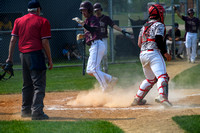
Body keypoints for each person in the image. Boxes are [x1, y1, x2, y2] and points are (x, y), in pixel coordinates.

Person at [6, 0, 53, 120]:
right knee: (39, 85)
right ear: (38, 10)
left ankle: (25, 110)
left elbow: (12, 40)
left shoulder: (18, 20)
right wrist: (50, 59)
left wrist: (9, 58)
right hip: (36, 55)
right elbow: (45, 42)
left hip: (23, 55)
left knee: (27, 84)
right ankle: (37, 112)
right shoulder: (43, 21)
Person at [131, 4, 172, 107]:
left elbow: (139, 43)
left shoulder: (144, 26)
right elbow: (158, 39)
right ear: (159, 14)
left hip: (142, 54)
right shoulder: (159, 25)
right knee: (163, 76)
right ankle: (162, 96)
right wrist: (165, 53)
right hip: (153, 53)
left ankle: (137, 99)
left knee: (150, 79)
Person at [72, 1, 118, 92]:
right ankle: (110, 79)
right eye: (82, 11)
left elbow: (94, 29)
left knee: (94, 69)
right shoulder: (87, 20)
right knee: (90, 70)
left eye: (84, 10)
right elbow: (90, 32)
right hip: (94, 46)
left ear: (89, 10)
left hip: (97, 44)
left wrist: (82, 24)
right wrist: (83, 36)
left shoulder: (93, 19)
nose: (83, 13)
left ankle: (105, 88)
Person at [93, 3, 125, 73]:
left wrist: (121, 30)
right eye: (95, 10)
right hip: (95, 40)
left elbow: (113, 25)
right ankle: (99, 72)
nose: (97, 12)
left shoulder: (106, 18)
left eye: (98, 10)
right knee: (98, 57)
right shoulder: (93, 19)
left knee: (104, 55)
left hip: (103, 39)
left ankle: (105, 70)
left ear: (101, 10)